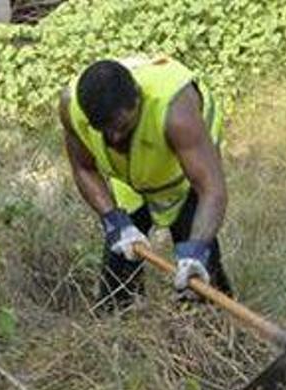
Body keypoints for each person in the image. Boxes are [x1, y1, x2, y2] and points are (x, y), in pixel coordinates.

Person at [58, 56, 233, 311]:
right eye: (104, 130)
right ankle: (118, 323)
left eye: (122, 126)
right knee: (118, 274)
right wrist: (114, 220)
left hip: (184, 172)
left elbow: (212, 190)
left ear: (138, 100)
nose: (114, 137)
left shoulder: (176, 112)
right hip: (132, 176)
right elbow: (84, 168)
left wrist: (195, 250)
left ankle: (219, 327)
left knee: (199, 277)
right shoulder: (71, 108)